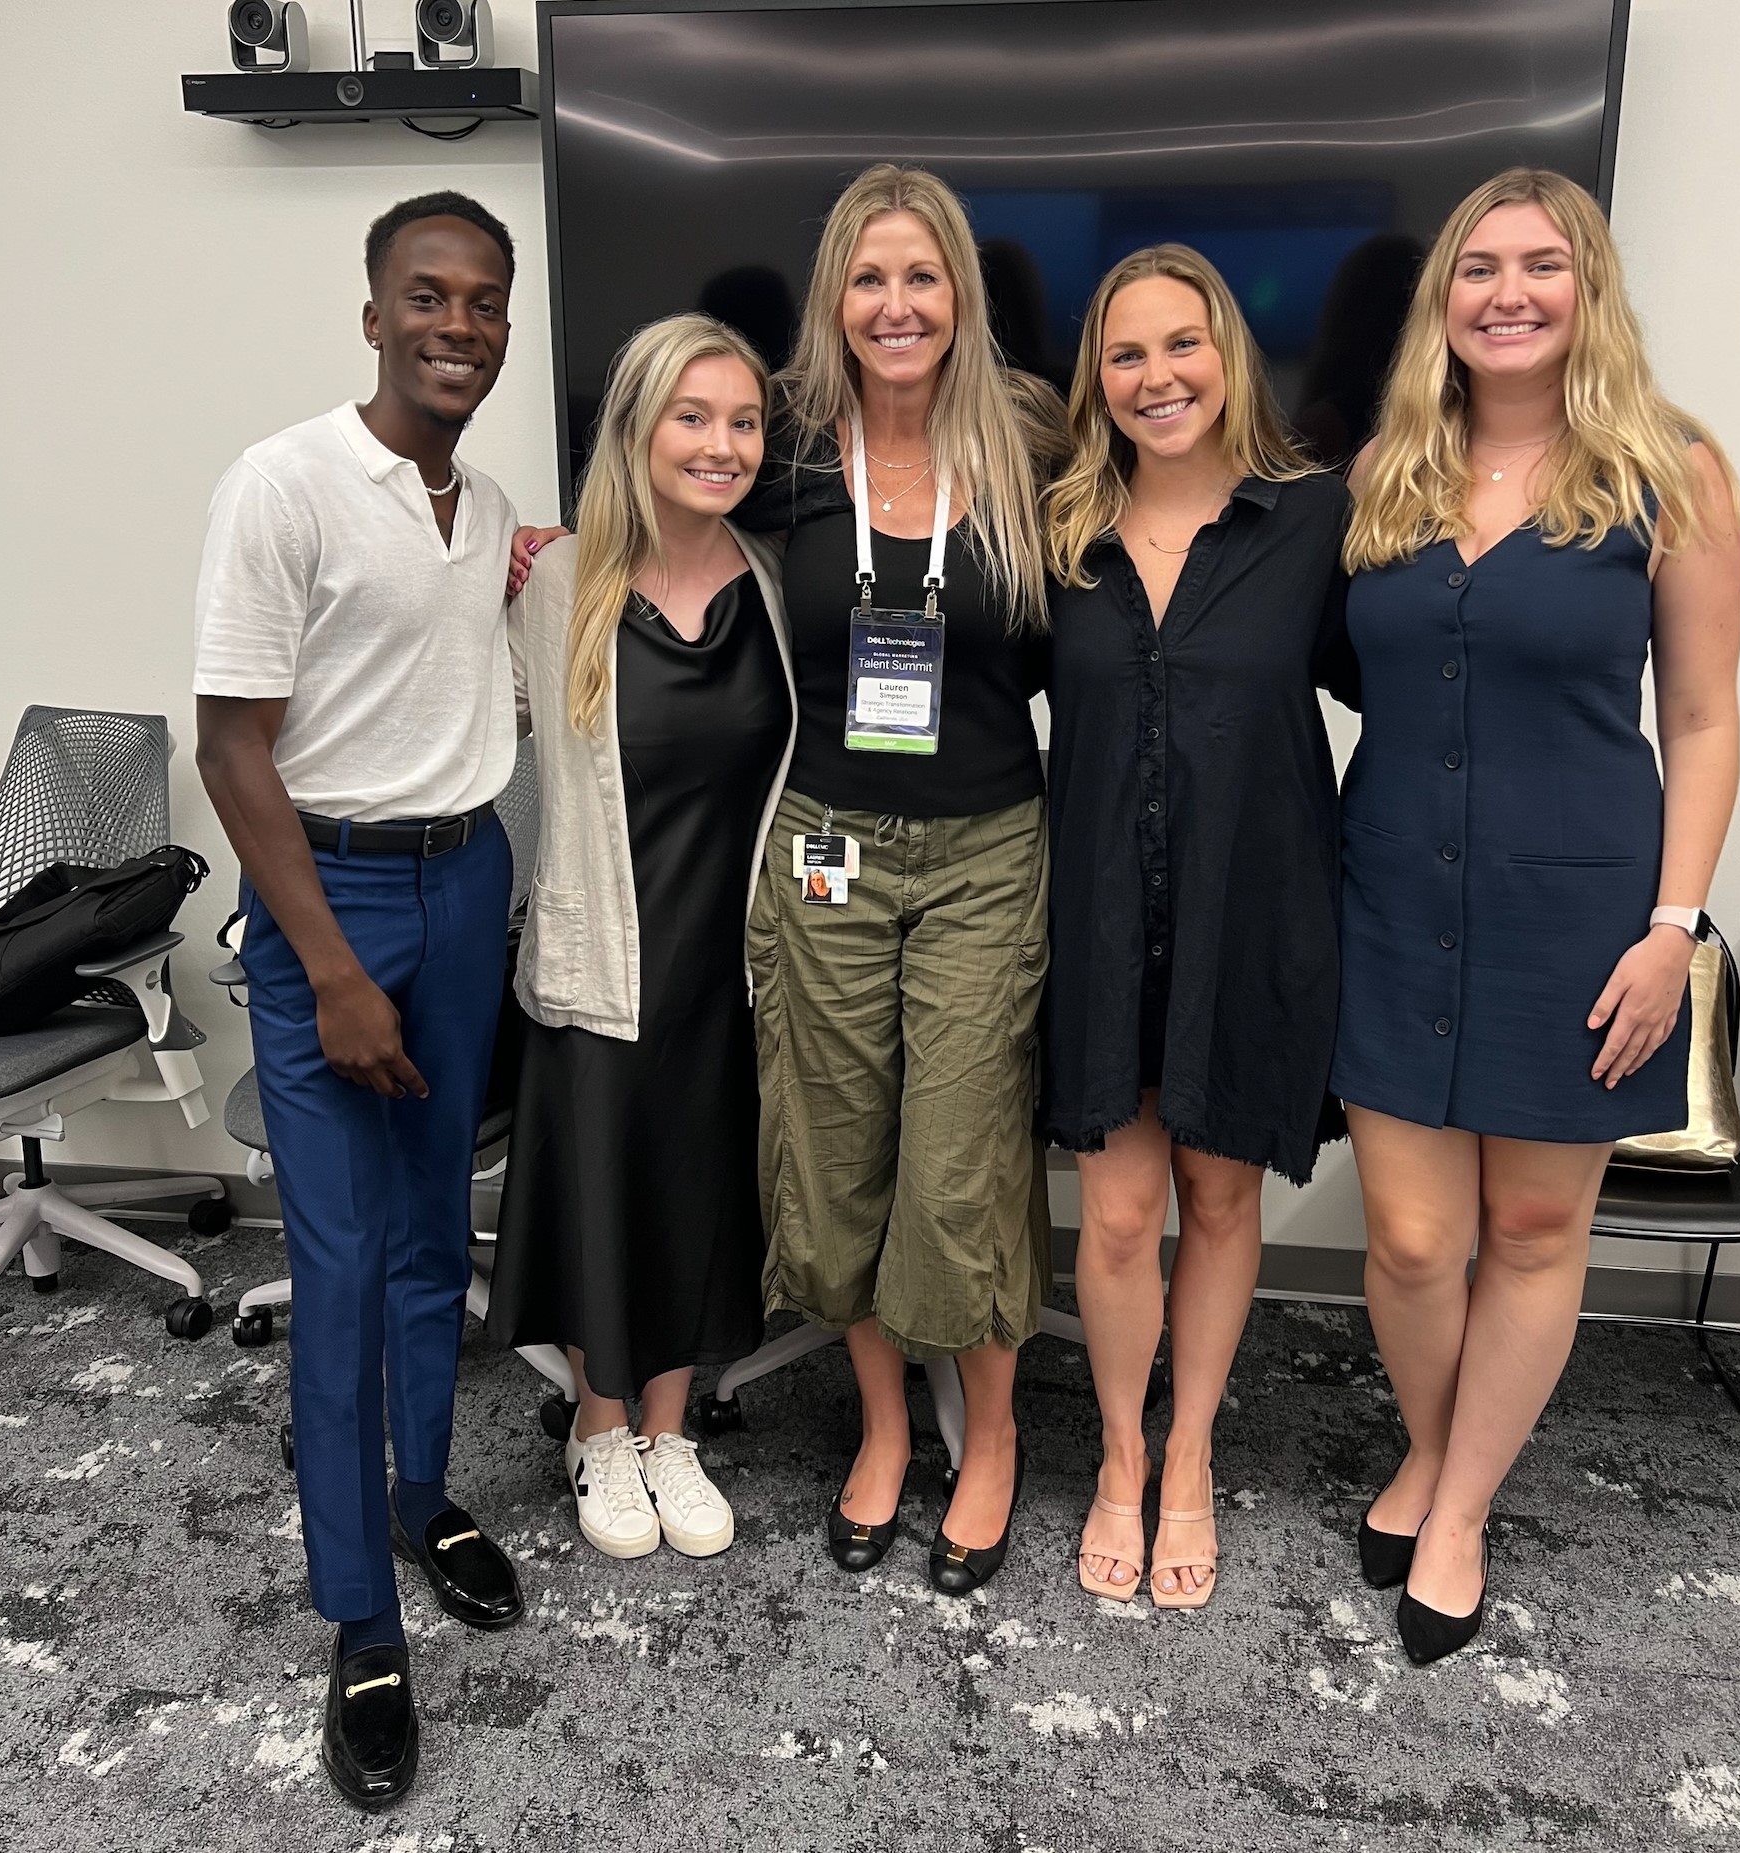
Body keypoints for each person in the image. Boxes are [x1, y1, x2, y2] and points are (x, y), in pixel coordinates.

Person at [1336, 168, 1740, 1662]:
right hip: (1386, 892)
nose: (1508, 293)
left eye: (1543, 265)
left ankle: (1455, 1503)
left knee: (1529, 1222)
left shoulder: (1671, 471)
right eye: (1478, 268)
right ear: (1441, 300)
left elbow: (1702, 720)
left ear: (1590, 291)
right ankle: (1444, 1448)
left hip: (1580, 914)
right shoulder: (1389, 470)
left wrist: (1674, 925)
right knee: (1405, 1236)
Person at [193, 192, 527, 1809]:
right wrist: (325, 960)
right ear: (375, 312)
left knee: (425, 1232)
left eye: (485, 303)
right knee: (334, 1267)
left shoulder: (491, 500)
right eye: (428, 297)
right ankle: (359, 1616)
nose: (458, 325)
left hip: (464, 882)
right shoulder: (284, 482)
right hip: (328, 898)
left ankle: (418, 1488)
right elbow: (229, 743)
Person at [741, 163, 1065, 1593]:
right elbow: (664, 506)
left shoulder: (1035, 440)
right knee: (836, 1147)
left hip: (989, 849)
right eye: (868, 279)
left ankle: (988, 1443)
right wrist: (555, 545)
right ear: (835, 299)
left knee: (961, 1165)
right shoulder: (788, 446)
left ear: (960, 295)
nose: (895, 305)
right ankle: (882, 1427)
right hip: (827, 845)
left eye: (920, 277)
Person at [1041, 247, 1356, 1609]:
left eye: (1183, 345)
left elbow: (1420, 677)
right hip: (1101, 912)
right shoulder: (1055, 532)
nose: (1157, 376)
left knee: (1222, 1197)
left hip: (1253, 908)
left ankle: (1191, 1458)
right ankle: (1118, 1457)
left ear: (1228, 352)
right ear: (1095, 382)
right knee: (1116, 1216)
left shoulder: (1318, 522)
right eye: (1126, 355)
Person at [485, 314, 795, 1564]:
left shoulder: (774, 583)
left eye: (743, 422)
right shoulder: (555, 582)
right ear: (635, 427)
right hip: (603, 948)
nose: (721, 445)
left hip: (733, 959)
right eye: (693, 418)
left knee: (697, 1192)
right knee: (603, 1196)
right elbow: (454, 725)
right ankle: (600, 1427)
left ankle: (671, 1428)